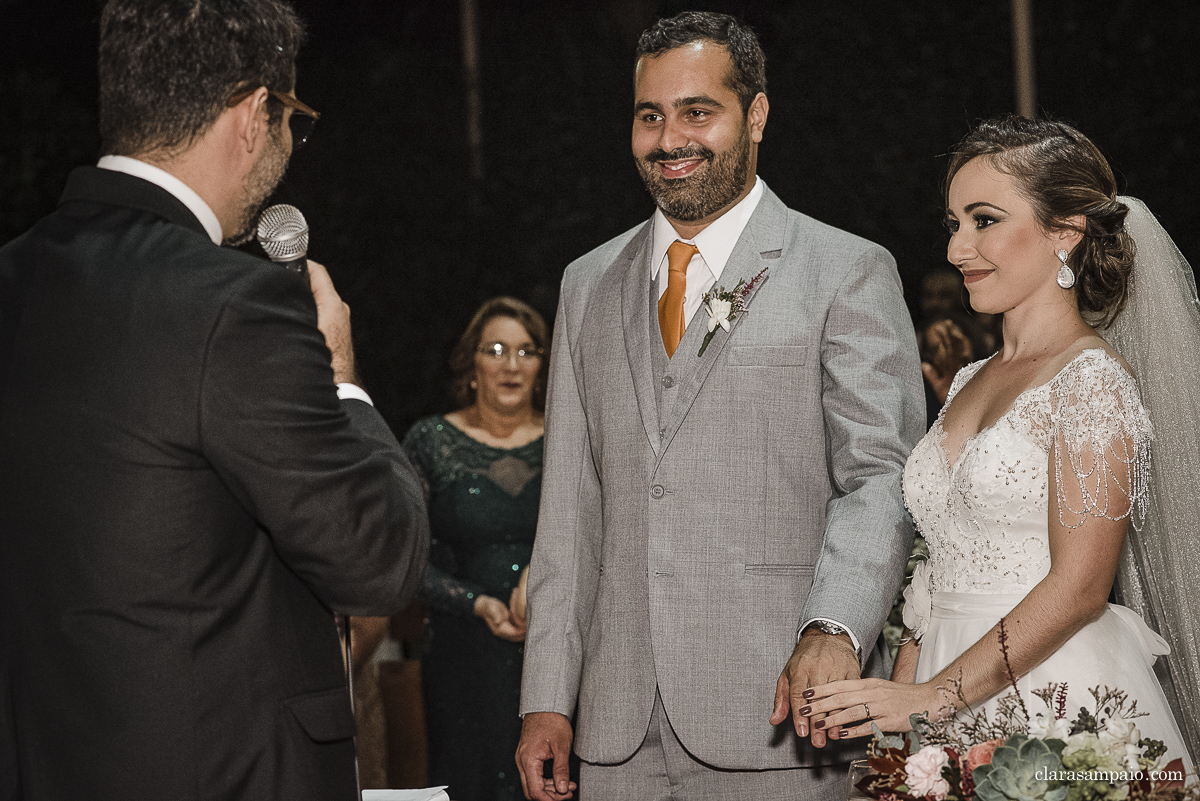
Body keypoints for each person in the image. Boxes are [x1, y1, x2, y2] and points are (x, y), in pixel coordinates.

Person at [0, 1, 430, 798]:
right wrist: (342, 374)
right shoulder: (233, 306)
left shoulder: (16, 277)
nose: (287, 147)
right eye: (291, 121)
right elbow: (380, 559)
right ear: (253, 112)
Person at [515, 12, 925, 801]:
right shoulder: (585, 283)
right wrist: (545, 698)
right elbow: (569, 507)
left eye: (697, 111)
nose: (670, 137)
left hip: (784, 721)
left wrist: (833, 626)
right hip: (614, 733)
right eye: (649, 115)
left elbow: (880, 475)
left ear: (756, 115)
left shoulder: (845, 269)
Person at [803, 116, 1194, 766]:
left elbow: (1080, 586)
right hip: (936, 683)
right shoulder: (969, 380)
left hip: (1049, 695)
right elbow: (936, 564)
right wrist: (900, 724)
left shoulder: (1091, 381)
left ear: (1064, 233)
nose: (958, 249)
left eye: (984, 220)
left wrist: (932, 696)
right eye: (953, 223)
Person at [403, 297, 548, 801]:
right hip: (462, 650)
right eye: (496, 349)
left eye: (527, 351)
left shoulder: (569, 440)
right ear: (472, 364)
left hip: (554, 651)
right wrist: (474, 602)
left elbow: (601, 535)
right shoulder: (430, 441)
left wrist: (543, 571)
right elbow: (404, 560)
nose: (511, 364)